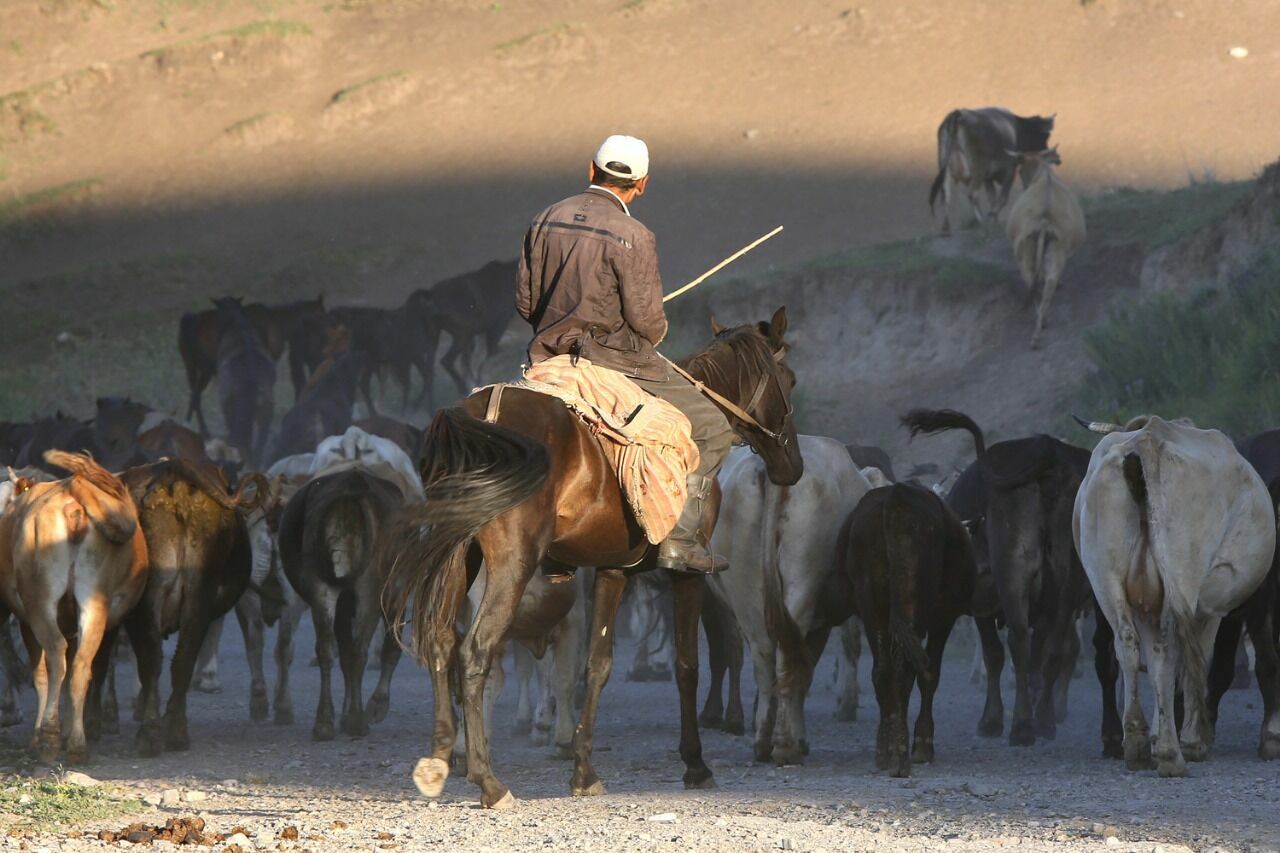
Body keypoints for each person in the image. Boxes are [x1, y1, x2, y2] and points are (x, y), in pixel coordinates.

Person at [515, 135, 733, 573]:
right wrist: (653, 325)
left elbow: (525, 302)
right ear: (643, 184)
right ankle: (680, 542)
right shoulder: (634, 235)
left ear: (591, 170)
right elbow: (649, 325)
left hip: (549, 358)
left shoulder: (545, 219)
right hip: (615, 360)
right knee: (713, 429)